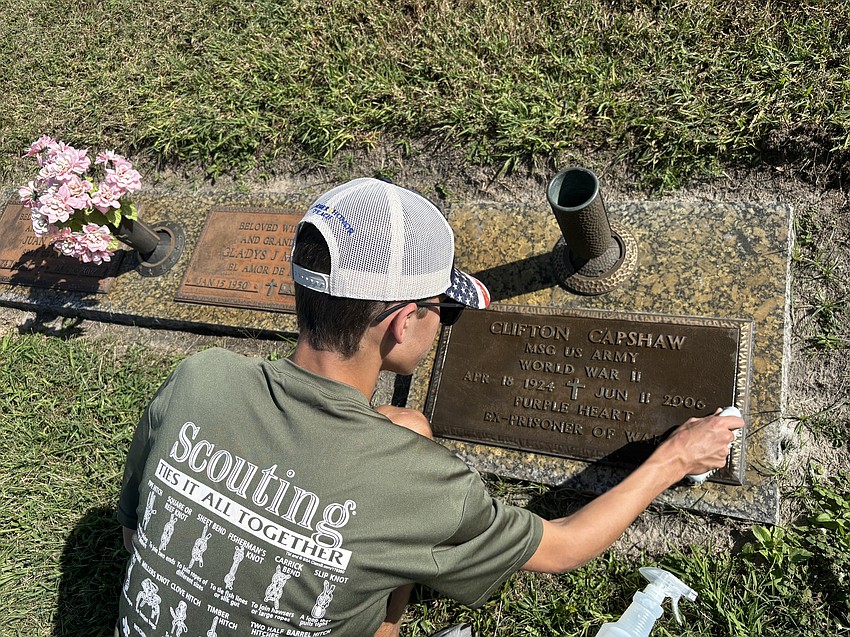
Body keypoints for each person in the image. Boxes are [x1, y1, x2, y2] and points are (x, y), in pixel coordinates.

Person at [116, 178, 743, 637]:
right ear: (401, 322)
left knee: (408, 427)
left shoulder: (201, 379)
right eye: (441, 309)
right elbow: (563, 548)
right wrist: (675, 457)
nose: (444, 324)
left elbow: (132, 527)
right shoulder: (420, 487)